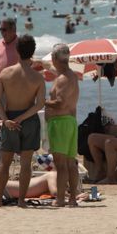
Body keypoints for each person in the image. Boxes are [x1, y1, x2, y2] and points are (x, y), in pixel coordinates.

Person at [0, 35, 46, 208]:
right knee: (26, 164)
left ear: (16, 50)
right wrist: (21, 118)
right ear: (33, 51)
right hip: (29, 121)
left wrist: (6, 120)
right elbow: (40, 104)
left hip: (10, 119)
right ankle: (21, 200)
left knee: (4, 163)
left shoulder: (6, 73)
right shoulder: (37, 77)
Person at [45, 43, 80, 207]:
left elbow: (59, 103)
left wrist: (42, 102)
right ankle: (72, 199)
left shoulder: (62, 79)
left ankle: (60, 199)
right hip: (70, 122)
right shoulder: (71, 76)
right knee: (71, 163)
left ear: (54, 59)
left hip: (60, 122)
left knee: (61, 164)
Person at [0, 18, 19, 91]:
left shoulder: (21, 44)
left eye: (4, 30)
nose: (2, 32)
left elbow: (27, 67)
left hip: (14, 90)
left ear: (13, 30)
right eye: (0, 30)